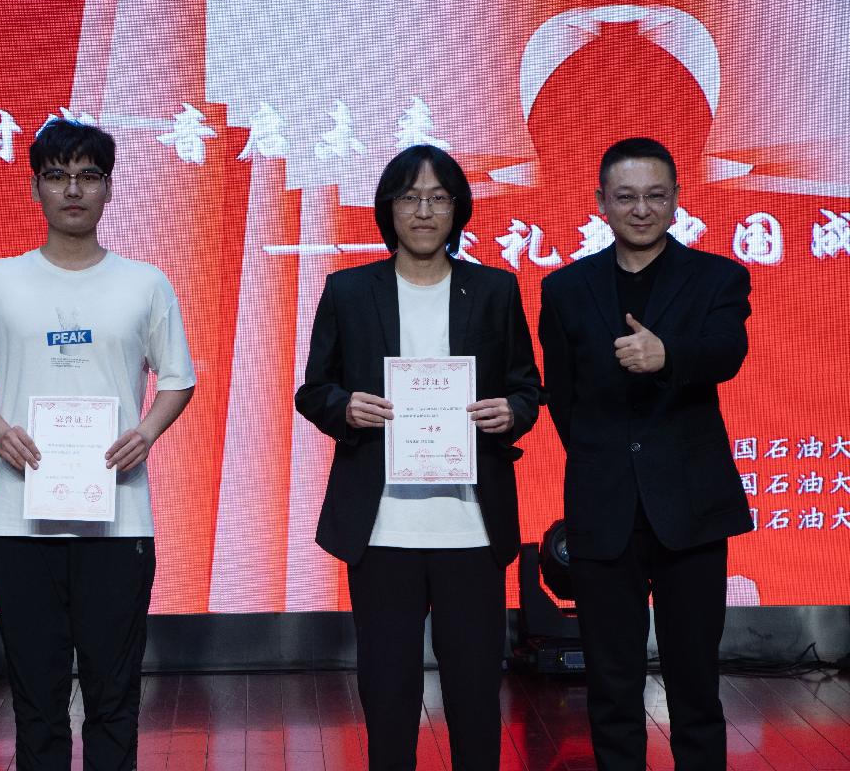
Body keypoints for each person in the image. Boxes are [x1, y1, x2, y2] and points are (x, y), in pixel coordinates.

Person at [0, 118, 196, 771]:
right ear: (35, 189)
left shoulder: (145, 283)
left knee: (115, 693)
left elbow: (178, 379)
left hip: (118, 519)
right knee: (36, 699)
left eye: (87, 176)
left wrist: (146, 432)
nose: (72, 189)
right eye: (56, 176)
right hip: (19, 521)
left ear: (109, 188)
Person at [295, 145, 541, 770]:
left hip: (471, 526)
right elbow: (313, 390)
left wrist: (512, 412)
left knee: (475, 695)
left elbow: (527, 387)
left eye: (438, 198)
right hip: (382, 528)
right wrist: (345, 407)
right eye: (409, 197)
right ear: (389, 209)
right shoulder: (350, 290)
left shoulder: (494, 289)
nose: (424, 211)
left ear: (458, 209)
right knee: (388, 695)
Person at [538, 137, 753, 770]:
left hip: (691, 505)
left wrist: (668, 356)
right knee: (611, 686)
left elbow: (727, 353)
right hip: (604, 505)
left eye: (656, 196)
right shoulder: (566, 288)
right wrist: (605, 460)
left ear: (677, 199)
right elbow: (562, 396)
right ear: (601, 201)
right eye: (626, 196)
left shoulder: (717, 276)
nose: (641, 209)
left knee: (695, 684)